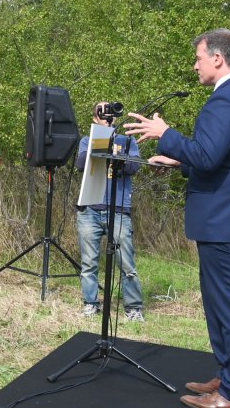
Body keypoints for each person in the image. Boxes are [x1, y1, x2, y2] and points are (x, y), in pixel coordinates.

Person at [124, 29, 230, 408]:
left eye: (199, 57)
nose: (195, 65)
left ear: (219, 59)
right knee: (222, 304)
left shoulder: (227, 100)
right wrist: (179, 160)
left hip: (227, 219)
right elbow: (222, 158)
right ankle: (228, 379)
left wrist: (165, 134)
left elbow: (207, 157)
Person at [74, 101, 144, 320]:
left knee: (126, 262)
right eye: (101, 113)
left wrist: (117, 152)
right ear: (95, 118)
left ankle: (133, 308)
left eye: (109, 112)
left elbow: (134, 166)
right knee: (89, 262)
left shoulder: (127, 140)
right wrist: (102, 139)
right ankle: (91, 303)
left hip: (119, 208)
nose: (107, 116)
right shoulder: (88, 140)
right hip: (91, 209)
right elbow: (82, 163)